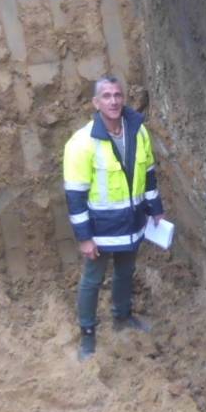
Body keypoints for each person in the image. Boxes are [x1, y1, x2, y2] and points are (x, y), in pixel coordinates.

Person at [63, 75, 165, 361]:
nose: (113, 101)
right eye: (106, 96)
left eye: (117, 95)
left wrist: (155, 209)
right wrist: (84, 238)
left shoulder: (138, 131)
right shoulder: (81, 143)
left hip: (131, 222)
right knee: (92, 280)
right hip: (101, 228)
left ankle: (122, 317)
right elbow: (75, 196)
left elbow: (148, 174)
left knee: (124, 272)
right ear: (96, 103)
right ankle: (87, 336)